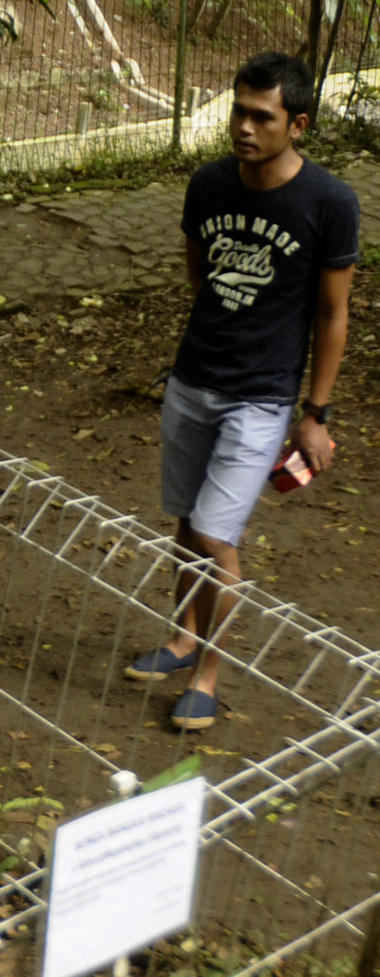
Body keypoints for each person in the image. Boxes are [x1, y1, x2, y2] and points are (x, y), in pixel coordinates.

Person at [123, 52, 359, 731]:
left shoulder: (329, 203)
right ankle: (180, 638)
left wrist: (313, 413)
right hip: (193, 379)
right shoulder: (208, 184)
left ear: (298, 124)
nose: (244, 128)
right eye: (238, 110)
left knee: (213, 534)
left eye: (262, 116)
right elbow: (200, 274)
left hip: (260, 399)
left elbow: (331, 314)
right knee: (183, 523)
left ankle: (208, 674)